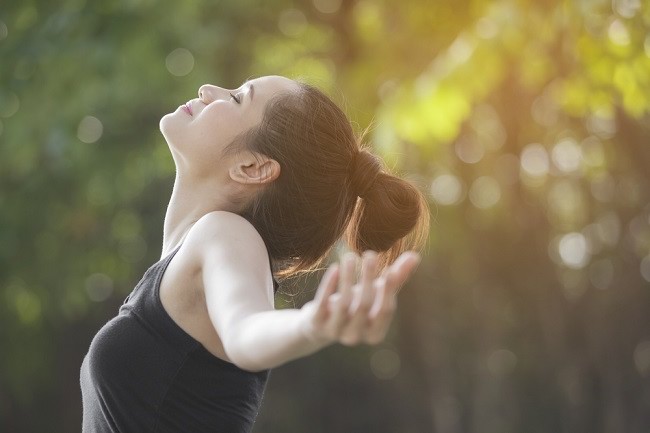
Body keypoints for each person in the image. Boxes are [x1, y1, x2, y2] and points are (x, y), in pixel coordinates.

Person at [80, 75, 430, 432]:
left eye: (235, 99)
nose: (207, 90)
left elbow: (245, 330)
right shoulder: (196, 252)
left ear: (253, 167)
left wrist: (309, 326)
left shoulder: (226, 235)